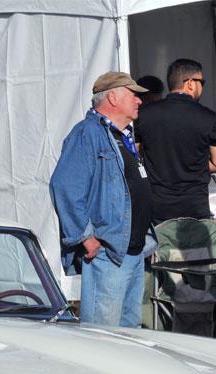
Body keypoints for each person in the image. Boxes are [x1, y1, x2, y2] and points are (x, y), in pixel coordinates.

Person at [51, 71, 154, 327]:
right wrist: (85, 237)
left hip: (133, 251)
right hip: (109, 252)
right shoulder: (87, 133)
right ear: (113, 97)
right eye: (134, 95)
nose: (139, 101)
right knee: (103, 336)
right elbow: (64, 185)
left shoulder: (122, 135)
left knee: (130, 338)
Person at [134, 59, 216, 224]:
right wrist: (194, 164)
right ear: (190, 83)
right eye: (202, 82)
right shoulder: (208, 117)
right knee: (196, 250)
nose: (202, 87)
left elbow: (135, 155)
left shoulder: (144, 116)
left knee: (160, 250)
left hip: (158, 210)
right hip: (195, 208)